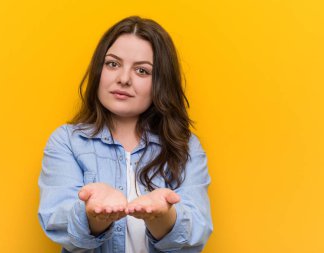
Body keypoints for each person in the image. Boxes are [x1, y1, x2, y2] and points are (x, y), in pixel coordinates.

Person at [38, 16, 213, 253]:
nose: (123, 79)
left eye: (142, 70)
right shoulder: (67, 141)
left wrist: (162, 215)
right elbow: (57, 223)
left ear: (161, 82)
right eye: (112, 64)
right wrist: (95, 213)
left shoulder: (186, 146)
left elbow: (197, 231)